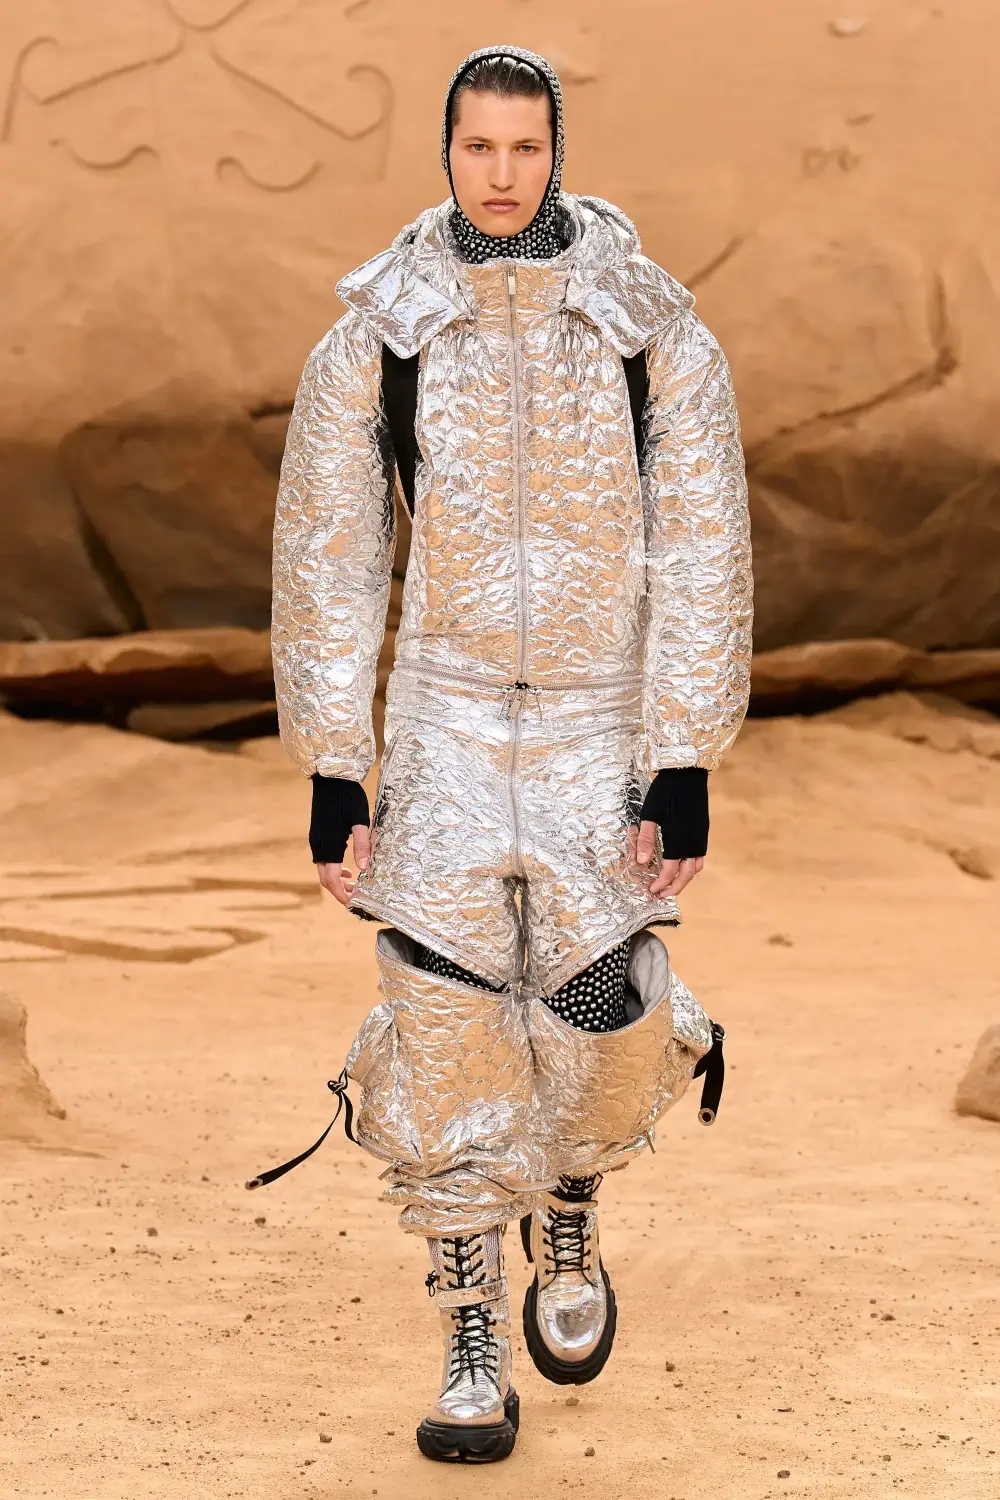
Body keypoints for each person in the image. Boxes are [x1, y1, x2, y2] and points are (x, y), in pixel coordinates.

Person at [268, 43, 752, 1464]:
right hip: (448, 719)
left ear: (557, 154)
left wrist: (683, 754)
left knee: (603, 1002)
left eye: (524, 148)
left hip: (603, 720)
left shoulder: (650, 328)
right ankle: (469, 1327)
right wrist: (335, 763)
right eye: (477, 147)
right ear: (446, 151)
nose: (500, 172)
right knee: (444, 1017)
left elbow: (705, 540)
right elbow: (329, 548)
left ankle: (574, 1196)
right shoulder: (383, 332)